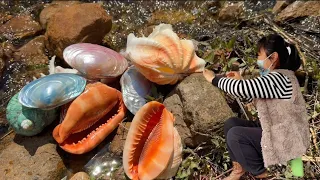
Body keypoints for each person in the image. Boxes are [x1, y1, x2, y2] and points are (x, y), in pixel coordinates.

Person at [202, 34, 310, 179]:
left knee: (236, 136)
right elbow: (252, 96)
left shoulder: (279, 78)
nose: (258, 61)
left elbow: (242, 88)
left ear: (274, 57)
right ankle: (238, 170)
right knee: (231, 124)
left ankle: (264, 175)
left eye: (259, 56)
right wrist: (239, 80)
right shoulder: (278, 77)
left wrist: (213, 79)